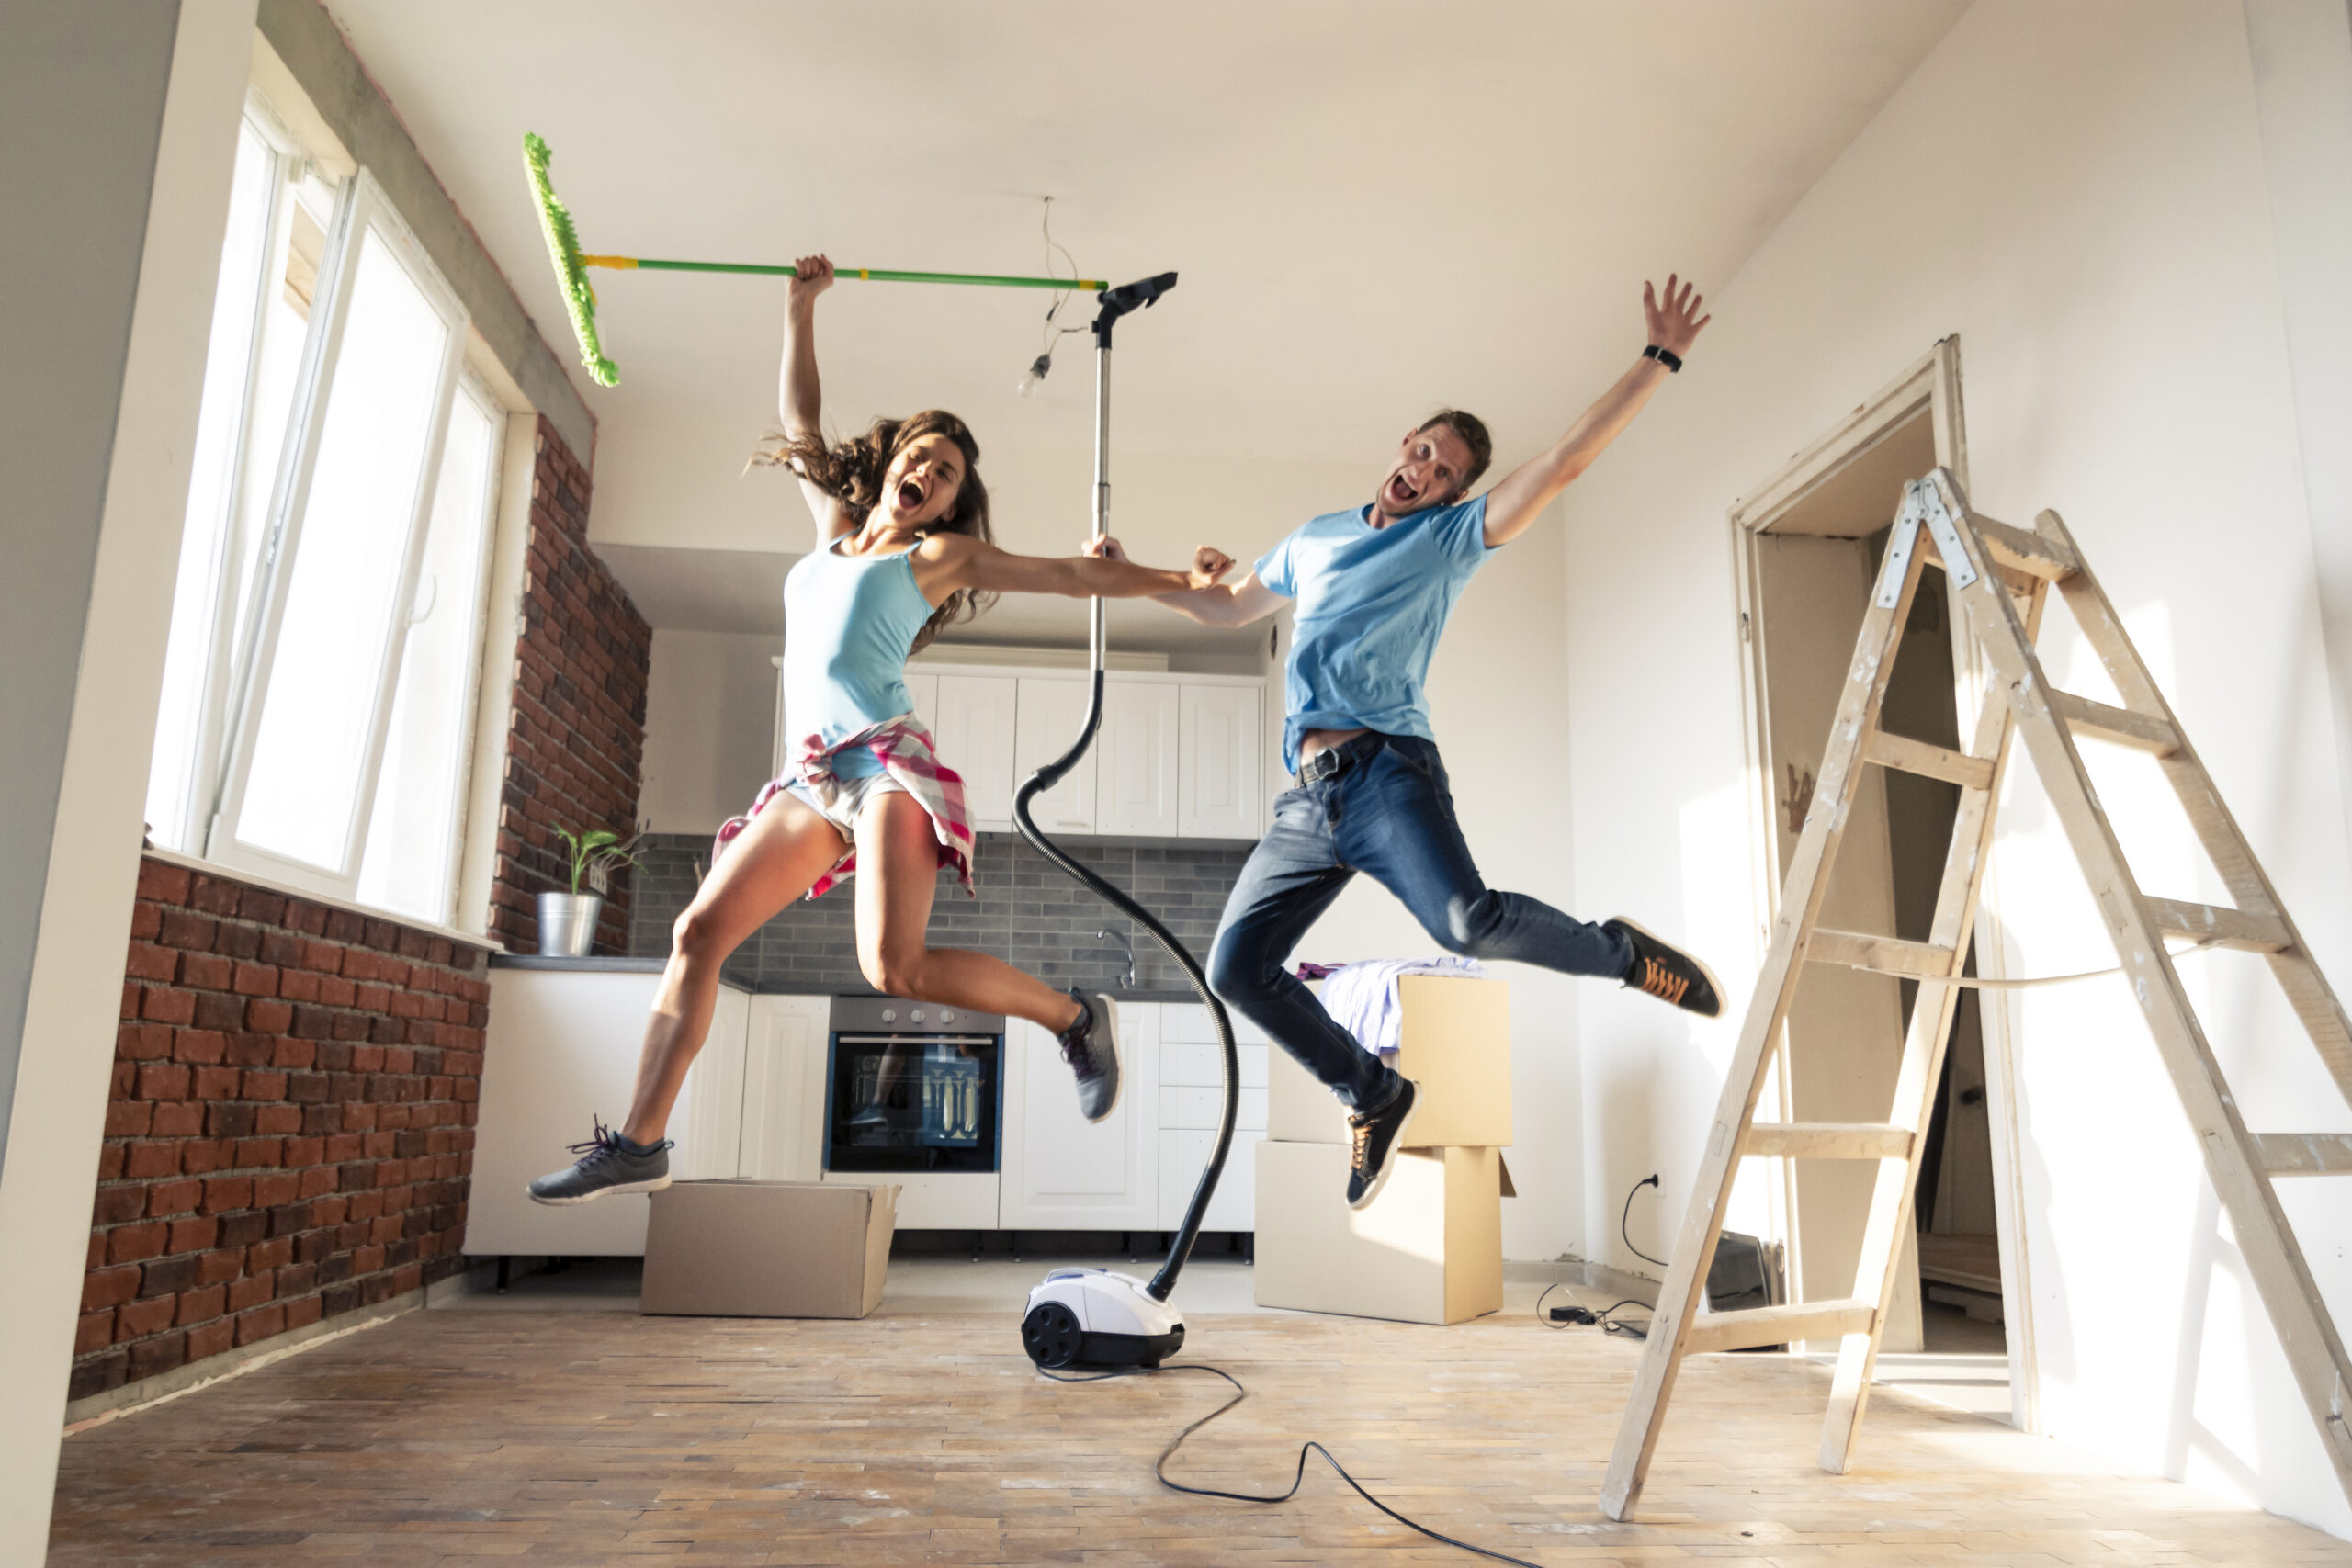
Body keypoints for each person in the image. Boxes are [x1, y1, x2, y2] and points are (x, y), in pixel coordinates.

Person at [528, 255, 1229, 1205]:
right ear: (893, 457)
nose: (927, 474)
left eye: (944, 475)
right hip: (808, 776)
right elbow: (802, 424)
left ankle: (1072, 1017)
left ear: (948, 503)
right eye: (920, 457)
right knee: (697, 932)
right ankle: (641, 1141)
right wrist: (799, 309)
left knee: (891, 966)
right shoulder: (830, 525)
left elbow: (1067, 578)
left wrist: (1178, 583)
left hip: (885, 767)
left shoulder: (938, 556)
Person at [1091, 276, 1722, 1211]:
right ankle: (1374, 1092)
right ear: (1401, 447)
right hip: (1306, 802)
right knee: (1235, 968)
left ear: (1454, 492)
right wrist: (1129, 578)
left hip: (1387, 773)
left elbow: (1559, 466)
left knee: (1465, 923)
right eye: (1421, 450)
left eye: (1443, 469)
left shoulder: (1448, 538)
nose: (1423, 470)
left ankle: (1619, 954)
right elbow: (1224, 606)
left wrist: (1656, 359)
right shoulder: (1313, 538)